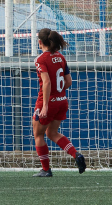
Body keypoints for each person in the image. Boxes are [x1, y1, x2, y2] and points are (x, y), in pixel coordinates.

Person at [32, 28, 86, 177]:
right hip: (62, 101)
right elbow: (68, 81)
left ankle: (46, 169)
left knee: (38, 135)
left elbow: (47, 82)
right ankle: (76, 155)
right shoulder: (61, 58)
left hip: (47, 102)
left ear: (40, 42)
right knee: (52, 132)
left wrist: (45, 106)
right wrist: (58, 93)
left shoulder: (40, 60)